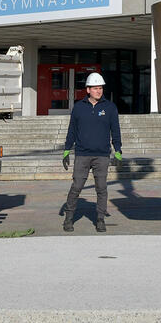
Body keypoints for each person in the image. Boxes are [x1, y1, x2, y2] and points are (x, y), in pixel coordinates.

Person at [61, 72, 122, 232]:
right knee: (77, 187)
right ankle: (68, 218)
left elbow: (115, 130)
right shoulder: (79, 108)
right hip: (82, 154)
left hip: (102, 155)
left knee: (101, 188)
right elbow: (72, 130)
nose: (99, 91)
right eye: (95, 88)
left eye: (100, 88)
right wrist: (67, 150)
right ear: (88, 90)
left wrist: (118, 150)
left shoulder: (110, 108)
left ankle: (100, 219)